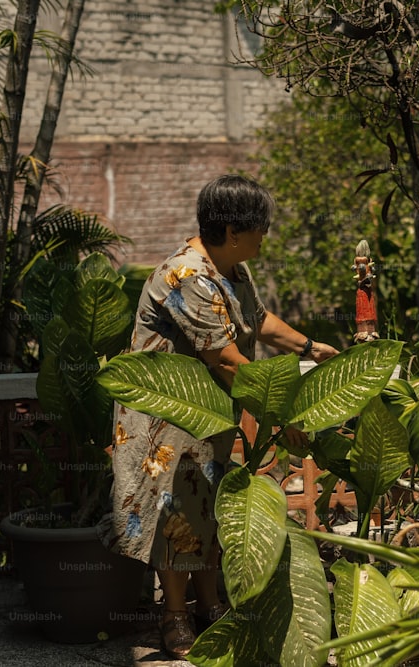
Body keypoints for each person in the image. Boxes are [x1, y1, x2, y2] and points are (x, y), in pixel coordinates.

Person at [98, 174, 338, 658]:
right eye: (260, 228)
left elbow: (260, 320)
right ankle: (175, 617)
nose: (265, 236)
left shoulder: (232, 269)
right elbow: (226, 359)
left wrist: (312, 347)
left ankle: (210, 606)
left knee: (207, 509)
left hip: (209, 415)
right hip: (166, 420)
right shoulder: (187, 277)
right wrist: (280, 414)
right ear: (232, 232)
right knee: (177, 515)